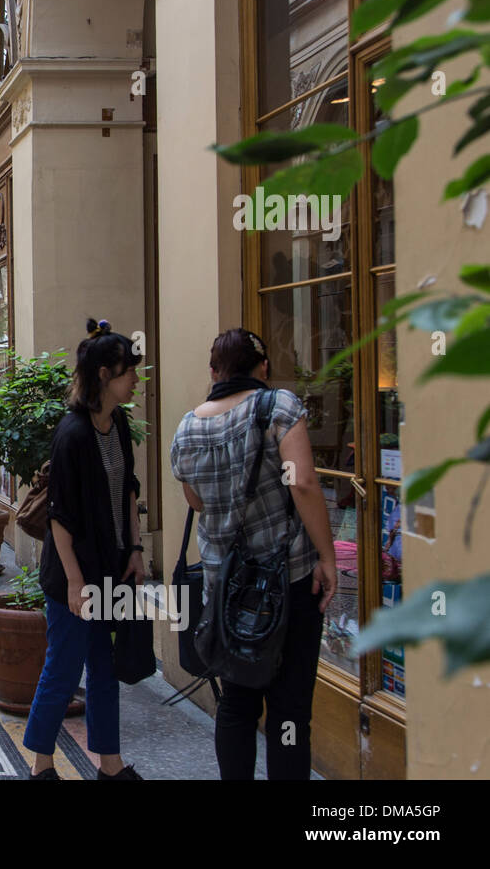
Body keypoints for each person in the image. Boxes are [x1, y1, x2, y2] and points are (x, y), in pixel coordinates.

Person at [170, 328, 338, 780]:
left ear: (213, 372)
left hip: (225, 586)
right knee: (288, 711)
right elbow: (302, 482)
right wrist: (328, 556)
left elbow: (197, 502)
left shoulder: (187, 428)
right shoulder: (278, 406)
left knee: (237, 703)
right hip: (289, 581)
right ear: (263, 368)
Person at [26, 319, 146, 781]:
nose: (134, 379)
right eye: (127, 371)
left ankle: (110, 765)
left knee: (104, 667)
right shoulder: (72, 434)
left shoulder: (118, 423)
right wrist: (75, 581)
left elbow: (129, 490)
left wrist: (134, 548)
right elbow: (60, 515)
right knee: (63, 668)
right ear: (103, 375)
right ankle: (41, 765)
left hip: (112, 568)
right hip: (73, 577)